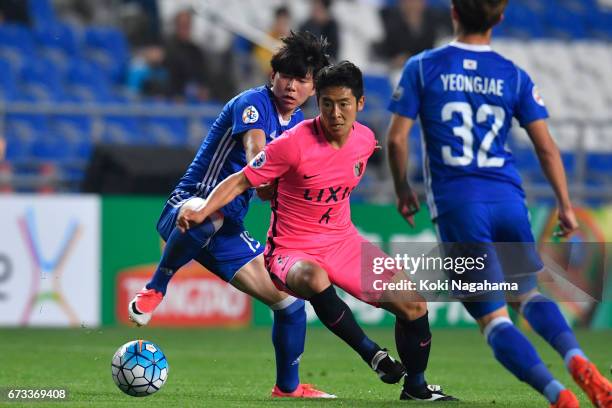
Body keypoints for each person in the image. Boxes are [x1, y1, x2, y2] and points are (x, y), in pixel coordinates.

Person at [177, 61, 457, 402]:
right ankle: (372, 354)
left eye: (343, 104)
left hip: (344, 242)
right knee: (313, 277)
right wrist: (203, 209)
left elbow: (366, 155)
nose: (335, 113)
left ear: (360, 104)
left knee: (413, 304)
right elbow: (241, 178)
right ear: (318, 103)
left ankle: (416, 387)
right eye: (326, 103)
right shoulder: (292, 144)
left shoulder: (365, 139)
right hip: (291, 250)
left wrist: (402, 191)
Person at [386, 1, 612, 407]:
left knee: (494, 319)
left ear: (453, 11)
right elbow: (546, 148)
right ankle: (576, 357)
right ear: (501, 17)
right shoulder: (513, 73)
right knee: (528, 293)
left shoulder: (422, 66)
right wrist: (565, 204)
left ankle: (557, 394)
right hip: (508, 199)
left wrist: (404, 189)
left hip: (460, 206)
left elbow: (398, 139)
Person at [128, 31, 334, 398]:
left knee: (290, 303)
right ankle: (155, 287)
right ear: (272, 76)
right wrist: (267, 180)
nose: (291, 86)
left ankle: (287, 388)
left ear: (313, 87)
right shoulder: (252, 103)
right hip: (188, 208)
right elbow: (257, 151)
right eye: (285, 76)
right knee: (207, 215)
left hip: (228, 230)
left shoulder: (300, 124)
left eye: (301, 80)